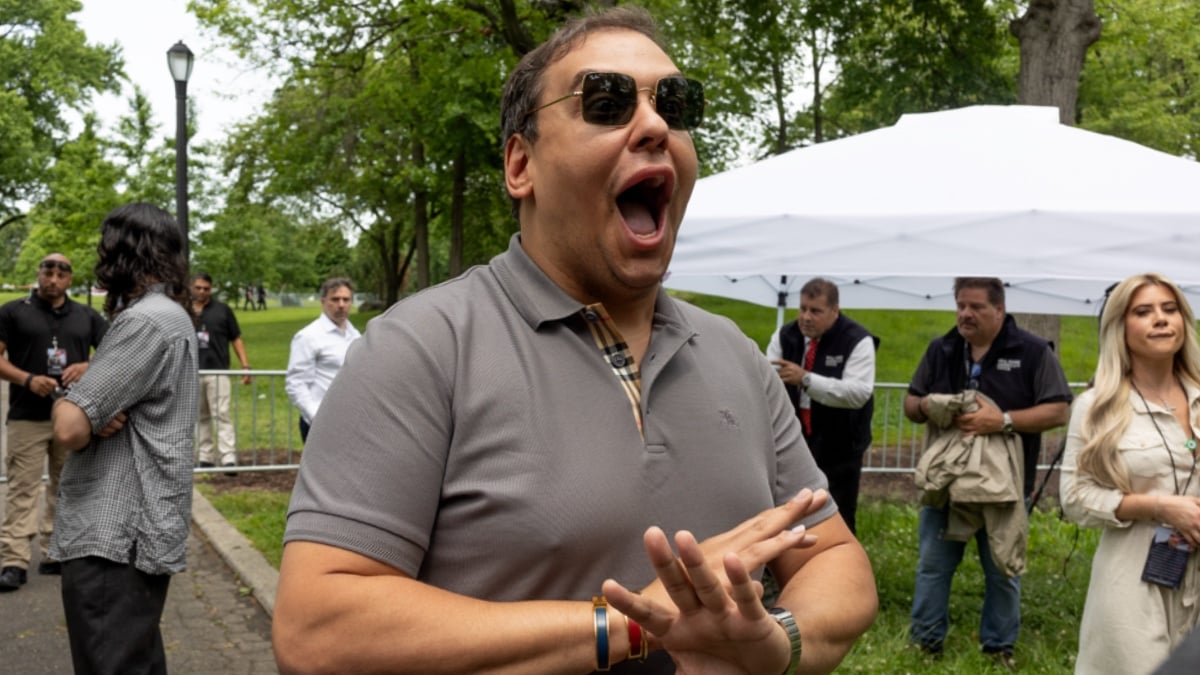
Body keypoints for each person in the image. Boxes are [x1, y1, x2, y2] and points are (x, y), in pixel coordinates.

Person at [272, 8, 877, 674]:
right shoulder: (419, 348)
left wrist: (779, 636)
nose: (654, 125)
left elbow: (831, 557)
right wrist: (625, 626)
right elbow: (317, 628)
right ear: (520, 163)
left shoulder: (737, 355)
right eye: (607, 102)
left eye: (675, 106)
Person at [48, 202, 198, 674]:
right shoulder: (170, 316)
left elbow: (69, 427)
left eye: (106, 246)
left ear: (125, 252)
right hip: (137, 531)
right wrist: (99, 399)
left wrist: (75, 400)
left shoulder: (143, 322)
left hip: (113, 533)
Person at [903, 276, 1072, 662]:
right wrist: (929, 406)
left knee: (1003, 569)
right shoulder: (941, 349)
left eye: (976, 307)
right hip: (945, 486)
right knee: (933, 566)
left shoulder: (1032, 351)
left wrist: (1004, 421)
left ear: (1000, 309)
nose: (965, 313)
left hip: (1006, 487)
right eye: (961, 305)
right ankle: (925, 644)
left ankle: (998, 648)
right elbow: (910, 404)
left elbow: (1059, 409)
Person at [1061, 273, 1200, 675]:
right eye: (1144, 311)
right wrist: (1157, 506)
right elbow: (1074, 497)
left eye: (1169, 309)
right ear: (1120, 328)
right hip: (1133, 576)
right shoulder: (1096, 408)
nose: (1160, 319)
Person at [0, 254, 107, 591]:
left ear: (70, 280)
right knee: (22, 488)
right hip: (27, 416)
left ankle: (55, 552)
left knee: (66, 486)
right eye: (48, 271)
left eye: (62, 273)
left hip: (73, 414)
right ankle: (13, 560)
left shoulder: (86, 316)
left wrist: (87, 367)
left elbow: (112, 353)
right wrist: (27, 379)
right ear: (39, 274)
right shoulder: (14, 311)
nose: (54, 279)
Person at [768, 277, 878, 534]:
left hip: (841, 445)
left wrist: (806, 379)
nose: (806, 317)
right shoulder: (785, 335)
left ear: (834, 311)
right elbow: (766, 378)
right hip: (795, 440)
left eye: (815, 311)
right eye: (803, 308)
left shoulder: (858, 340)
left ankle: (840, 564)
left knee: (838, 511)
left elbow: (858, 393)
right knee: (789, 506)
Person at [284, 277, 359, 442]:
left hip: (351, 421)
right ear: (323, 301)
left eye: (346, 299)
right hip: (320, 424)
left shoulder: (356, 336)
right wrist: (316, 417)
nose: (341, 304)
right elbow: (296, 383)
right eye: (335, 299)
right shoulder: (308, 336)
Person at [192, 272, 252, 473]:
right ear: (192, 287)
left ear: (211, 289)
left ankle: (228, 458)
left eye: (206, 288)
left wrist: (245, 366)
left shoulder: (223, 310)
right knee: (200, 416)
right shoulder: (183, 310)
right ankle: (205, 456)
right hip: (192, 372)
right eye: (198, 287)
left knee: (222, 414)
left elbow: (236, 338)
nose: (202, 291)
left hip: (217, 370)